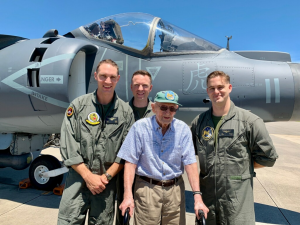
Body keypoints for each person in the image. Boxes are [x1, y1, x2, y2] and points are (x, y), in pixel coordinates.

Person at [191, 71, 278, 225]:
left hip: (236, 206)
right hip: (207, 203)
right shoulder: (199, 122)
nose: (216, 92)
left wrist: (244, 167)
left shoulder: (249, 122)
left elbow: (268, 158)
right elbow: (188, 156)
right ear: (207, 91)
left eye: (220, 87)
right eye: (212, 88)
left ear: (230, 88)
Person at [57, 59, 134, 225]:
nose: (108, 81)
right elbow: (68, 145)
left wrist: (104, 177)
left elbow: (126, 151)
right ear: (95, 76)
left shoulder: (126, 112)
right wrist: (88, 176)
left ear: (118, 79)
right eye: (103, 76)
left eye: (112, 77)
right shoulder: (78, 106)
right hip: (77, 180)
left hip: (105, 185)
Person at [118, 90, 209, 225]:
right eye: (163, 107)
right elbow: (130, 162)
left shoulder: (183, 129)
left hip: (175, 192)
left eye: (172, 108)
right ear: (154, 108)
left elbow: (190, 163)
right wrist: (127, 196)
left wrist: (197, 197)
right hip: (147, 190)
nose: (168, 112)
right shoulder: (140, 128)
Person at [116, 70, 155, 224]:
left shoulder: (158, 112)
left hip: (148, 175)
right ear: (131, 87)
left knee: (147, 216)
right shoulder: (120, 111)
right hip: (123, 172)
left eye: (144, 86)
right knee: (123, 214)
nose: (140, 89)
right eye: (137, 85)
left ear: (150, 88)